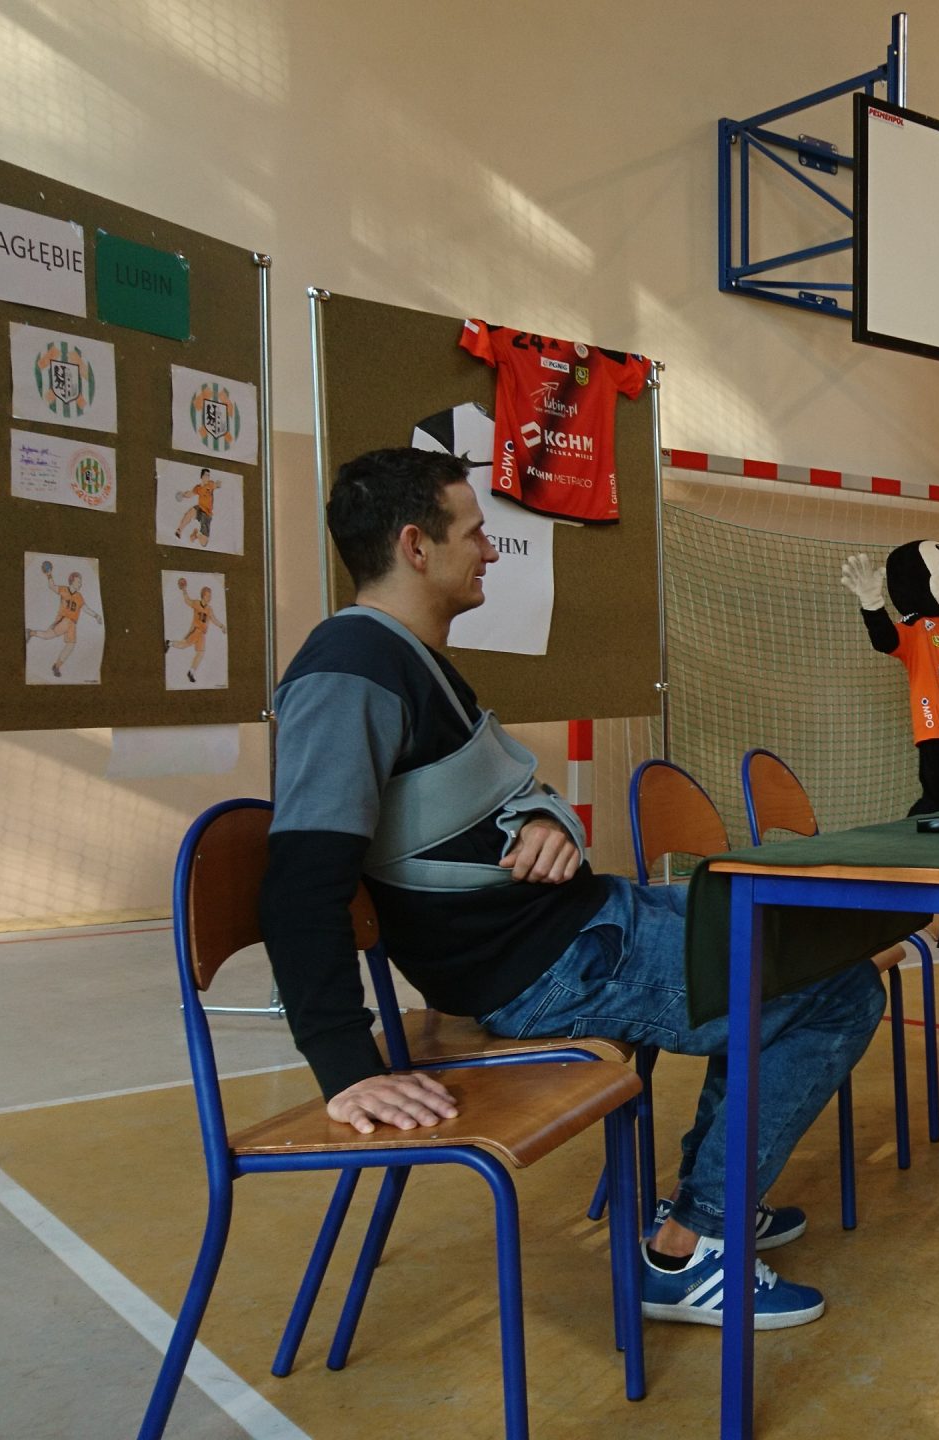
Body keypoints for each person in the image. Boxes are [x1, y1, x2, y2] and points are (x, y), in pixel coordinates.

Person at [261, 447, 891, 1330]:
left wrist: (546, 823)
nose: (489, 550)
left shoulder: (408, 659)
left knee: (788, 929)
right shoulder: (350, 670)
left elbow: (490, 803)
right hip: (548, 966)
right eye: (474, 533)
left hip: (580, 927)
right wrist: (345, 1065)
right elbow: (298, 883)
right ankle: (694, 1245)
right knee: (837, 988)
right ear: (415, 545)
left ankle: (710, 1201)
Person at [24, 567, 101, 679]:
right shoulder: (64, 590)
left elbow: (85, 608)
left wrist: (96, 615)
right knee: (47, 636)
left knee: (70, 645)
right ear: (72, 581)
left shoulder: (79, 596)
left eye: (81, 582)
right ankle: (30, 632)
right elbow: (51, 586)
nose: (80, 583)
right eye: (78, 581)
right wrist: (49, 574)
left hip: (72, 624)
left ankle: (56, 666)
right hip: (63, 620)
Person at [167, 578, 226, 683]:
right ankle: (169, 643)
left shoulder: (209, 609)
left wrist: (222, 626)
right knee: (184, 645)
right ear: (203, 595)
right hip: (195, 630)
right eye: (208, 595)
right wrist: (184, 590)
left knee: (201, 653)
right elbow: (187, 600)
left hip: (202, 634)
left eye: (210, 596)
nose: (210, 598)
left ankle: (191, 672)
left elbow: (214, 619)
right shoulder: (196, 603)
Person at [172, 467, 223, 546]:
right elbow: (190, 494)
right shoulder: (198, 488)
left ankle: (196, 534)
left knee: (204, 543)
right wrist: (183, 495)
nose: (208, 477)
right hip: (200, 508)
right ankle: (179, 530)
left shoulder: (210, 484)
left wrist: (219, 483)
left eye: (209, 475)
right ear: (202, 476)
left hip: (207, 514)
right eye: (206, 475)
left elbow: (216, 485)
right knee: (191, 511)